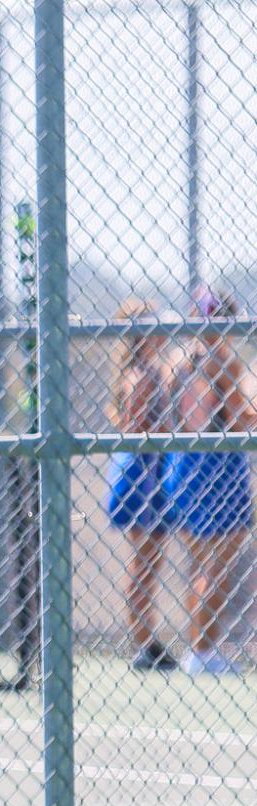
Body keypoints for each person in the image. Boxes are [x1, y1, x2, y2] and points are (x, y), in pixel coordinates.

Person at [162, 288, 257, 676]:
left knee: (201, 563)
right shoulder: (223, 362)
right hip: (218, 468)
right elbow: (237, 420)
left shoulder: (177, 360)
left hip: (183, 465)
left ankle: (198, 647)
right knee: (217, 565)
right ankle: (203, 651)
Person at [103, 298, 178, 671]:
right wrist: (165, 431)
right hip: (141, 473)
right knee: (143, 561)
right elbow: (135, 429)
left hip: (153, 470)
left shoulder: (155, 369)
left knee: (151, 560)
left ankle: (148, 638)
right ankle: (143, 641)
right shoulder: (141, 376)